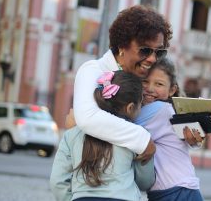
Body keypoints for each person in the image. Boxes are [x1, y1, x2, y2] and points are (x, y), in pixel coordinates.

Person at [72, 5, 173, 164]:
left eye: (159, 52)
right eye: (145, 50)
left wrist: (192, 135)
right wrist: (142, 140)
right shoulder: (93, 70)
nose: (153, 59)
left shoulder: (145, 77)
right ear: (121, 46)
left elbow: (169, 108)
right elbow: (87, 118)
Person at [50, 71, 155, 201]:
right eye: (141, 105)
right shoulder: (137, 136)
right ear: (130, 108)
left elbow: (57, 182)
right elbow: (145, 181)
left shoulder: (72, 134)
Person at [135, 58, 204, 201]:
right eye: (145, 81)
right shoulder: (170, 109)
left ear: (172, 90)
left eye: (159, 84)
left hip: (177, 193)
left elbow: (120, 125)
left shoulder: (159, 109)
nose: (150, 88)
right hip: (180, 191)